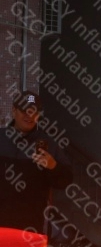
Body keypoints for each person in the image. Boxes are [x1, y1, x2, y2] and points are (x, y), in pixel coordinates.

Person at [0, 91, 72, 233]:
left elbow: (66, 179)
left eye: (34, 112)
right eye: (24, 111)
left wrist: (53, 166)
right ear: (14, 111)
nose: (29, 115)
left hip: (30, 227)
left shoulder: (49, 144)